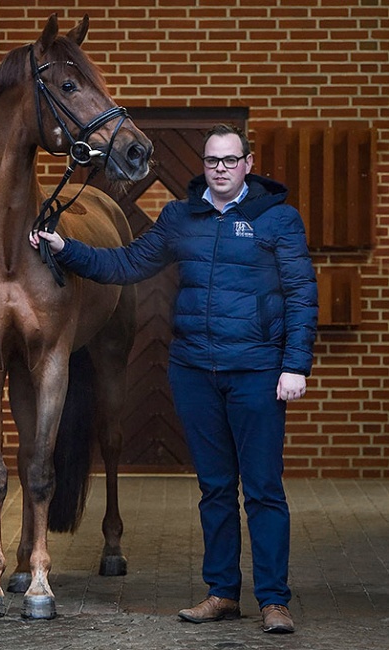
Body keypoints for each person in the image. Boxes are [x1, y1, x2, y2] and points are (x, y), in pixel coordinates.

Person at [30, 123, 318, 634]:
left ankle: (274, 600)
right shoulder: (181, 218)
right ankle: (222, 593)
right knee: (213, 489)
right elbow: (126, 263)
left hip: (257, 372)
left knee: (264, 491)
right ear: (203, 165)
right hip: (195, 372)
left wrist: (295, 365)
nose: (221, 168)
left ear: (248, 164)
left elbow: (300, 293)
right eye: (212, 160)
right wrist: (65, 249)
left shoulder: (279, 220)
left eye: (231, 160)